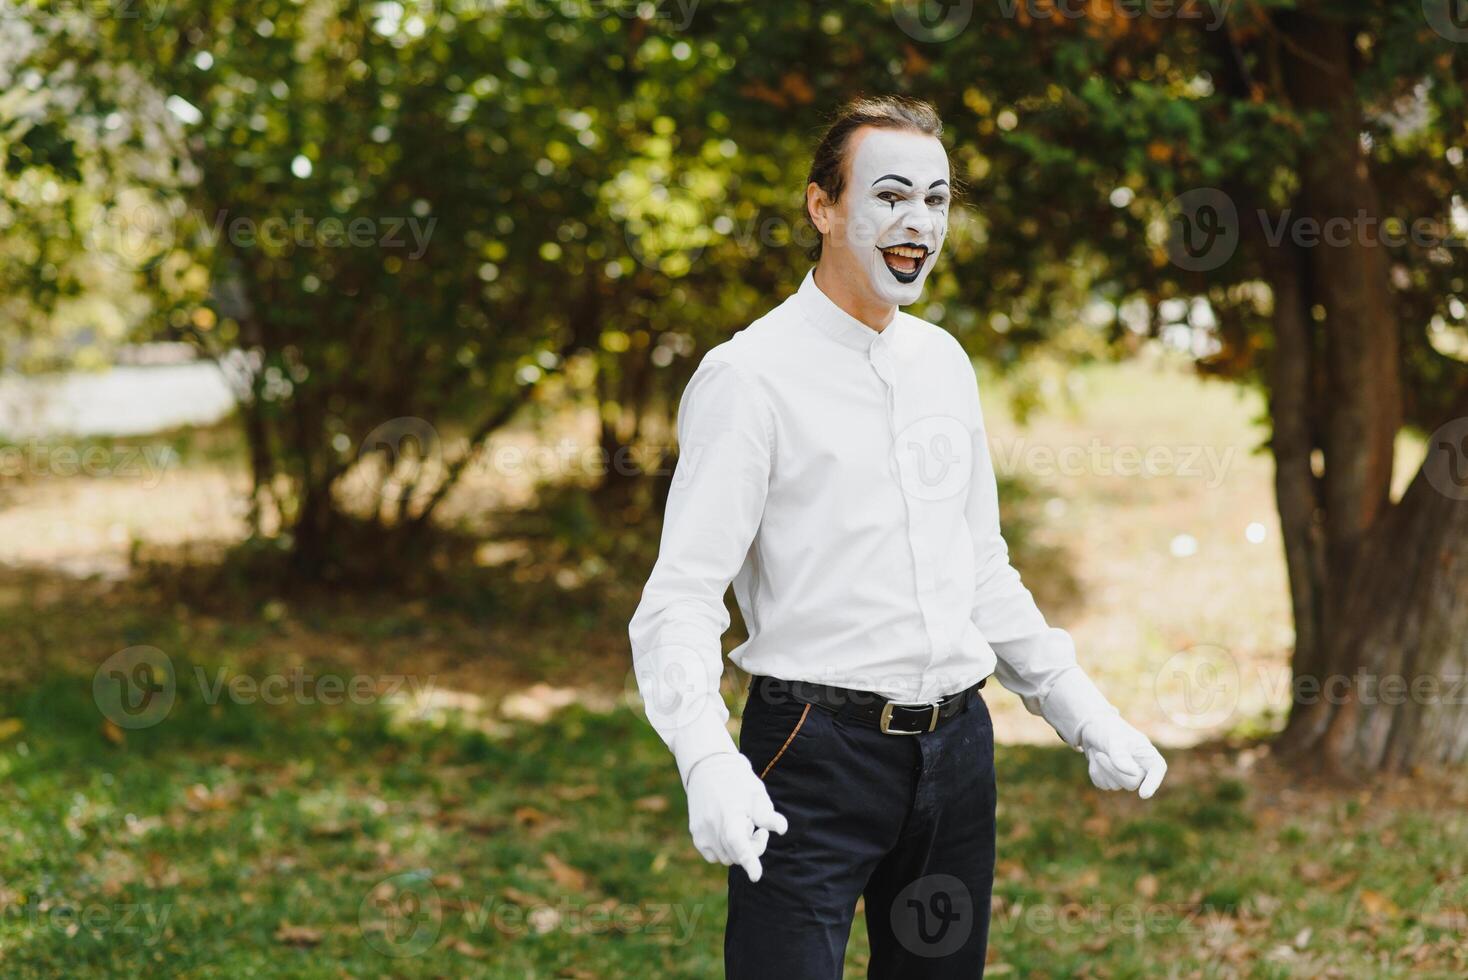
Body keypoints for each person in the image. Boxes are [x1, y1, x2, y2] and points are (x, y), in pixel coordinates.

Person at [628, 95, 1167, 980]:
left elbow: (981, 567)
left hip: (958, 757)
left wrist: (1081, 709)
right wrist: (705, 758)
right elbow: (679, 602)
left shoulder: (943, 364)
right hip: (810, 756)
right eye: (889, 196)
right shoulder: (747, 379)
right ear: (823, 207)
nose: (917, 221)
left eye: (938, 198)